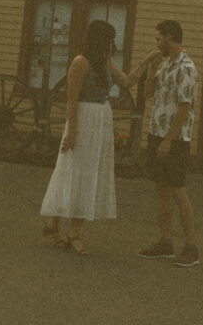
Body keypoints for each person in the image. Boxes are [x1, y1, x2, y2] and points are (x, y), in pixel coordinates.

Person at [40, 19, 159, 255]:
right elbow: (72, 100)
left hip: (100, 119)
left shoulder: (103, 62)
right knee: (74, 170)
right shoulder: (80, 63)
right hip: (83, 119)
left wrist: (147, 61)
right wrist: (72, 132)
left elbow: (126, 81)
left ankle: (61, 226)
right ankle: (68, 230)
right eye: (107, 40)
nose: (110, 44)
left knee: (89, 172)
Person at [138, 19, 199, 267]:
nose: (156, 43)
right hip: (157, 133)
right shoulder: (166, 64)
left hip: (174, 138)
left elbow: (185, 108)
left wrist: (168, 140)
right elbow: (148, 93)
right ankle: (165, 242)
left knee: (177, 190)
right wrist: (152, 68)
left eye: (158, 39)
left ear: (170, 37)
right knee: (161, 190)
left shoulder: (186, 67)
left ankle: (191, 247)